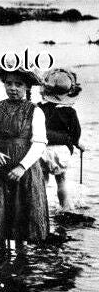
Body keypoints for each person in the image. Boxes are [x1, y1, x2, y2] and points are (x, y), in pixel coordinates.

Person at [0, 67, 49, 256]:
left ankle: (21, 260)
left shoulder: (34, 111)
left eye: (18, 84)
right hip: (0, 167)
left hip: (25, 169)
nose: (13, 88)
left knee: (22, 215)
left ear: (27, 87)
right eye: (9, 83)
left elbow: (39, 143)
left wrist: (22, 167)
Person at [39, 68, 82, 211]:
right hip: (61, 151)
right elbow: (75, 132)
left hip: (43, 149)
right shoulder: (69, 111)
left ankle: (41, 209)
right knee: (61, 181)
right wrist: (76, 143)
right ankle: (65, 207)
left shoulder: (39, 108)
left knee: (43, 181)